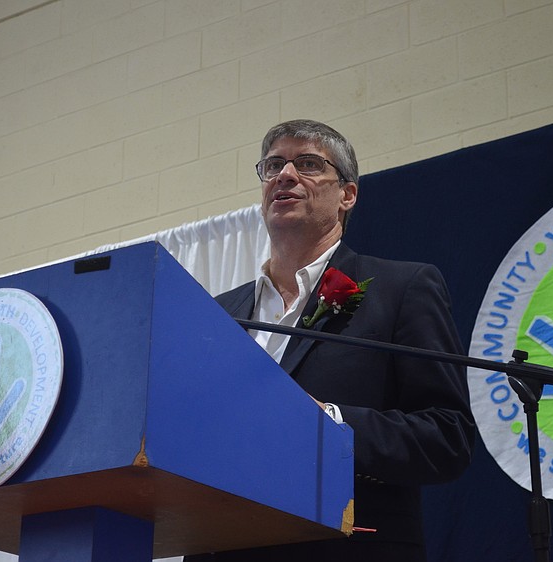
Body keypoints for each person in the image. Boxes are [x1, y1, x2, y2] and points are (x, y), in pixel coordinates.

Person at [191, 119, 474, 561]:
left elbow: (447, 436)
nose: (285, 176)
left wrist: (332, 421)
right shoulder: (216, 313)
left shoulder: (402, 288)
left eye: (307, 163)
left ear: (347, 195)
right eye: (273, 166)